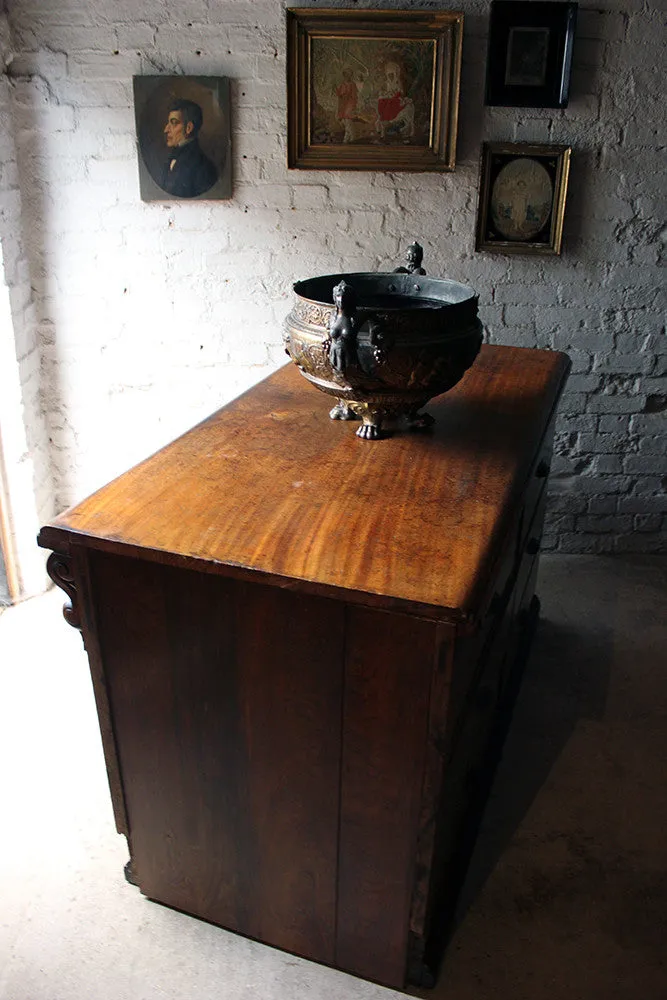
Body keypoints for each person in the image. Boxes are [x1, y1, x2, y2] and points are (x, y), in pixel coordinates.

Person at [160, 98, 218, 198]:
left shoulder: (203, 167)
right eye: (168, 123)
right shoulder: (173, 157)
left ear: (189, 128)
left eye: (173, 123)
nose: (166, 130)